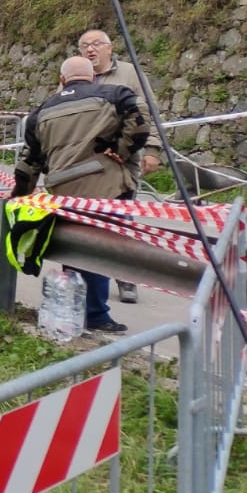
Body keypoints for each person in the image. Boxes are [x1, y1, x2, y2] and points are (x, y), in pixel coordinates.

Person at [12, 55, 150, 334]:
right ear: (94, 77)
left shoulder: (42, 112)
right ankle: (96, 315)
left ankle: (75, 309)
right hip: (107, 187)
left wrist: (20, 195)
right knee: (100, 251)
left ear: (62, 81)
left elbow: (29, 163)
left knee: (75, 252)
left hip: (63, 191)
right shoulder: (115, 94)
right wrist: (121, 150)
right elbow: (141, 123)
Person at [79, 28, 158, 302]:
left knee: (121, 218)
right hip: (85, 162)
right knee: (86, 220)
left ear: (110, 48)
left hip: (122, 161)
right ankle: (87, 275)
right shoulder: (77, 74)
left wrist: (153, 149)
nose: (90, 49)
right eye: (85, 45)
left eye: (96, 44)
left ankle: (126, 277)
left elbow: (148, 110)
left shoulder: (129, 73)